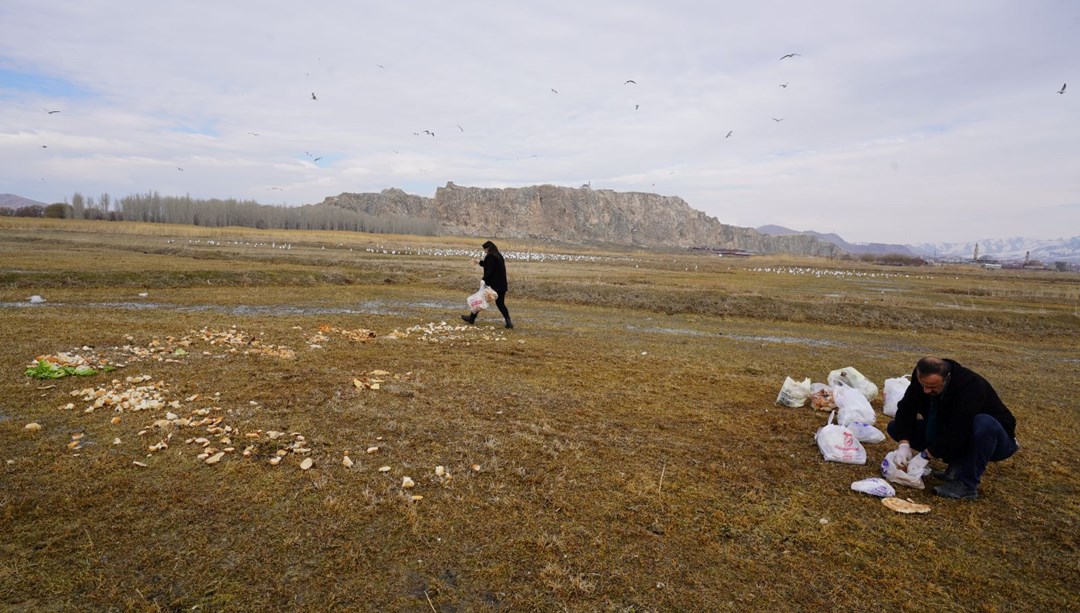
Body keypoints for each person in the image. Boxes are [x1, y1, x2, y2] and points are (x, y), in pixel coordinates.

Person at [886, 356, 1018, 500]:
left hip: (996, 440)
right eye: (923, 385)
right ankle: (957, 465)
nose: (925, 390)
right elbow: (907, 407)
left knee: (984, 423)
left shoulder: (970, 386)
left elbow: (959, 428)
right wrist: (904, 443)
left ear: (947, 378)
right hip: (957, 432)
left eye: (932, 387)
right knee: (895, 427)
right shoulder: (923, 376)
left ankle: (967, 484)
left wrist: (927, 454)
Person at [461, 240, 513, 329]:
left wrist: (484, 280)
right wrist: (479, 262)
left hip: (493, 285)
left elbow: (490, 270)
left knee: (479, 300)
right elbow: (488, 265)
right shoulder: (498, 255)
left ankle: (471, 318)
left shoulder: (491, 256)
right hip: (502, 284)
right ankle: (509, 322)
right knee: (500, 304)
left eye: (485, 249)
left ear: (488, 248)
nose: (484, 251)